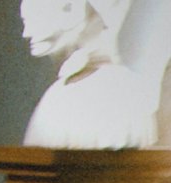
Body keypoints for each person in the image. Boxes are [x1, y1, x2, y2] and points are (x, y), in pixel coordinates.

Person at [20, 0, 157, 148]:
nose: (26, 33)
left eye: (36, 18)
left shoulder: (113, 93)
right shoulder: (62, 93)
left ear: (71, 11)